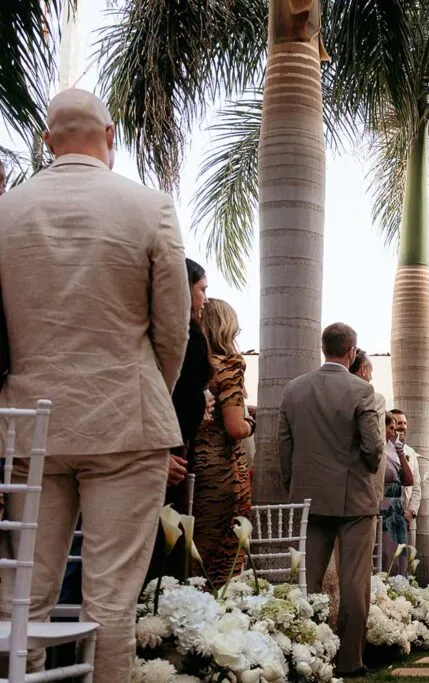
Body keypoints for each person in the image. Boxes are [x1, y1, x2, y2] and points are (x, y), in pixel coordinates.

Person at [0, 89, 189, 679]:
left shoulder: (5, 210)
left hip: (27, 425)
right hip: (126, 420)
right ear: (111, 137)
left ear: (47, 141)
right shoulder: (150, 206)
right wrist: (149, 387)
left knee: (21, 597)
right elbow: (173, 327)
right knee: (109, 601)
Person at [278, 323, 383, 678]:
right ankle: (350, 661)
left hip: (308, 496)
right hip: (354, 499)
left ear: (324, 348)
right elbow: (373, 447)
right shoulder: (361, 390)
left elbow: (284, 446)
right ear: (352, 351)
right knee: (354, 581)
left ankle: (302, 652)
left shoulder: (294, 389)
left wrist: (295, 485)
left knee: (306, 579)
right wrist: (366, 470)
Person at [144, 258, 214, 584]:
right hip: (168, 449)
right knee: (165, 553)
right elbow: (182, 398)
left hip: (155, 446)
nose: (205, 299)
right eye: (202, 290)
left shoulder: (145, 330)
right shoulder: (187, 336)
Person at [192, 299, 253, 586]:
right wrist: (251, 423)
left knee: (195, 548)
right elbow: (235, 428)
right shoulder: (229, 365)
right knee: (224, 556)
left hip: (196, 466)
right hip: (225, 473)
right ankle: (217, 617)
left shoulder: (196, 365)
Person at [381, 412, 416, 576]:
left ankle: (398, 592)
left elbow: (409, 481)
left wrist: (400, 452)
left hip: (397, 509)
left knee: (400, 556)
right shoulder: (377, 450)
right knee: (386, 556)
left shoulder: (396, 450)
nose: (394, 432)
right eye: (391, 428)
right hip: (382, 509)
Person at [351, 350, 387, 503]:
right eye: (371, 371)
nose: (371, 377)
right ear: (364, 370)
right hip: (362, 488)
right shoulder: (375, 399)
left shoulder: (325, 396)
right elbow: (375, 446)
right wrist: (376, 491)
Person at [390, 409, 422, 542]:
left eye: (404, 423)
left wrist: (411, 511)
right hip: (388, 516)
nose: (402, 426)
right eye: (398, 423)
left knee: (408, 560)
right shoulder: (382, 450)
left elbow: (416, 486)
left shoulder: (411, 452)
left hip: (407, 519)